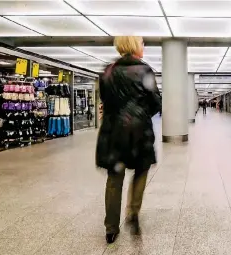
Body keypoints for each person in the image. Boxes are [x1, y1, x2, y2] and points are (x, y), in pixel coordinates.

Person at [96, 36, 161, 244]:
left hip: (113, 132)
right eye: (142, 43)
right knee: (141, 170)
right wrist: (140, 114)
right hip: (139, 131)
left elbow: (105, 100)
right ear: (134, 46)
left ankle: (111, 228)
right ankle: (133, 212)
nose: (144, 47)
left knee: (114, 177)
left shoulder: (108, 71)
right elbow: (156, 102)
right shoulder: (144, 71)